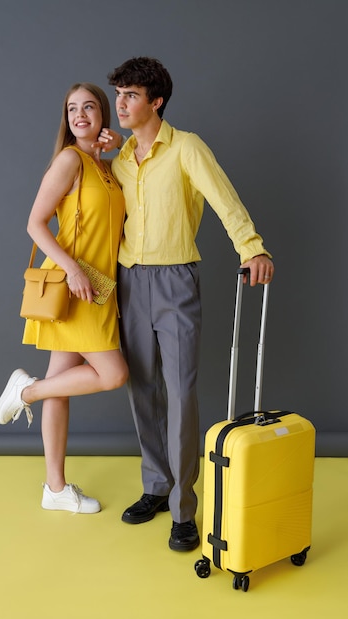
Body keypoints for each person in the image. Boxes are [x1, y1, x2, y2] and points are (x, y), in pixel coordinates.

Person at [102, 57, 274, 551]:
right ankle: (155, 487)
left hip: (176, 281)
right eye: (119, 95)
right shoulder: (120, 159)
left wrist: (252, 247)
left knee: (180, 394)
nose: (121, 104)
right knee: (143, 391)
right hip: (129, 282)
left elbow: (224, 199)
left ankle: (184, 508)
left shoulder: (187, 148)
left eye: (131, 95)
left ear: (156, 102)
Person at [0, 83, 128, 514]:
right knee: (113, 373)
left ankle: (55, 488)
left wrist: (117, 144)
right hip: (74, 285)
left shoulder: (103, 166)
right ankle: (28, 391)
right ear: (66, 119)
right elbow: (35, 223)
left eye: (89, 106)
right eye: (72, 109)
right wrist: (70, 269)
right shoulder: (70, 159)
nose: (80, 114)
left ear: (103, 115)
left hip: (98, 288)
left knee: (62, 388)